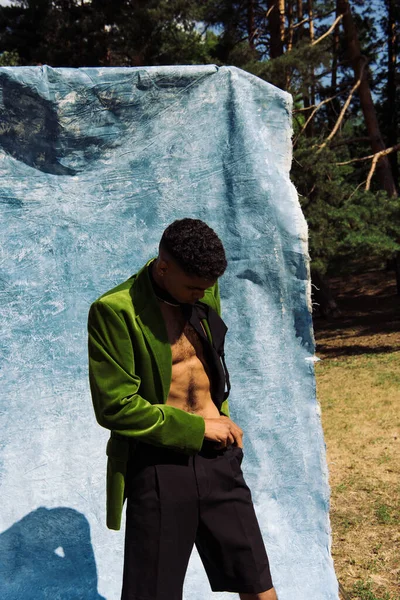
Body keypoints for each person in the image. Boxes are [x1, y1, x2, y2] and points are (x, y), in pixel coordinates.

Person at [87, 218, 278, 600]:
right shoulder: (115, 311)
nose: (201, 295)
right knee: (154, 592)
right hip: (160, 466)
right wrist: (197, 429)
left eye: (206, 288)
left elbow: (206, 363)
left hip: (218, 458)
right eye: (193, 287)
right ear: (163, 267)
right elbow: (115, 406)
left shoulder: (202, 288)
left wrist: (218, 414)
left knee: (258, 584)